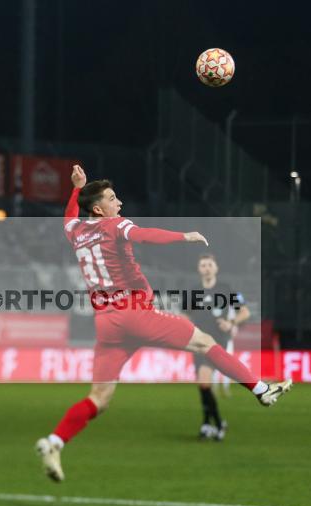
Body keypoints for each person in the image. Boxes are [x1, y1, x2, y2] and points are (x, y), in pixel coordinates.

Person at [35, 165, 292, 482]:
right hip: (135, 315)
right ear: (99, 209)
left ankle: (55, 441)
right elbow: (144, 235)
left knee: (99, 399)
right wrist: (183, 236)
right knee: (206, 343)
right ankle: (262, 390)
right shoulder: (112, 225)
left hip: (106, 323)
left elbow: (68, 217)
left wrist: (76, 188)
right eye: (113, 199)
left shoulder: (76, 232)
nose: (120, 203)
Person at [185, 253, 251, 441]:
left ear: (216, 268)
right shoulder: (194, 291)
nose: (206, 268)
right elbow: (185, 315)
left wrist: (231, 323)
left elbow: (244, 312)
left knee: (204, 381)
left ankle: (217, 424)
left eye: (209, 264)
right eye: (203, 265)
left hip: (215, 343)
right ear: (199, 269)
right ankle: (209, 423)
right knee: (203, 385)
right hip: (197, 342)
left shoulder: (226, 289)